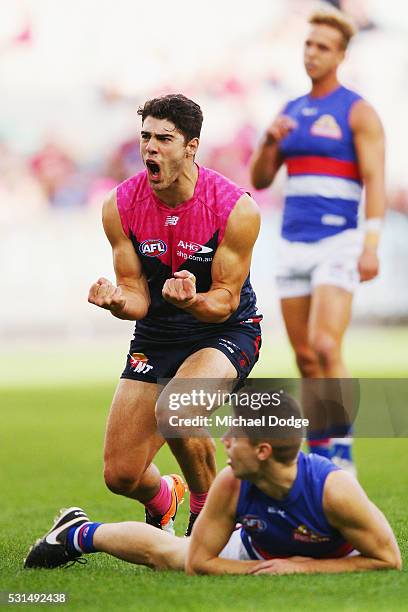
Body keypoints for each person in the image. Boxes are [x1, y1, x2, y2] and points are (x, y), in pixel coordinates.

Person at [87, 94, 262, 536]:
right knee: (121, 476)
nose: (151, 147)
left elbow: (224, 298)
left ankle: (210, 518)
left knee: (178, 409)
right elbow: (136, 297)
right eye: (145, 136)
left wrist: (191, 301)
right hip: (157, 334)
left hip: (224, 329)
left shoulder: (234, 208)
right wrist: (116, 301)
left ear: (191, 146)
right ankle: (165, 497)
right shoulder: (120, 205)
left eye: (164, 138)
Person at [24, 394, 401, 574]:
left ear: (264, 450)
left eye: (235, 436)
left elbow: (388, 560)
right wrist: (266, 570)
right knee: (172, 555)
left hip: (335, 552)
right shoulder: (232, 482)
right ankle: (79, 533)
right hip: (258, 549)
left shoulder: (334, 490)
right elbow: (199, 563)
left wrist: (302, 568)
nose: (224, 442)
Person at [250, 8, 385, 468]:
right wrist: (269, 141)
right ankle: (320, 452)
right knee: (306, 358)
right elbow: (262, 179)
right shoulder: (290, 111)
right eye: (308, 44)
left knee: (327, 346)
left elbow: (376, 180)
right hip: (292, 243)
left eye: (322, 47)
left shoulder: (357, 111)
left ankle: (343, 453)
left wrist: (371, 244)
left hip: (338, 241)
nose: (312, 53)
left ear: (341, 54)